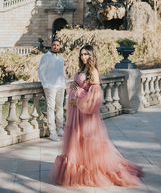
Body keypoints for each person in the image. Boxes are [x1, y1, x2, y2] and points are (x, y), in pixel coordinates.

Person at [53, 44, 142, 187]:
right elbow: (79, 85)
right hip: (76, 112)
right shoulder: (82, 69)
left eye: (86, 54)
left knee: (87, 140)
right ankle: (78, 166)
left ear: (92, 55)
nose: (83, 57)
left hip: (85, 113)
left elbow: (95, 96)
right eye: (82, 54)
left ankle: (90, 170)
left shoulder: (93, 71)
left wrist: (79, 101)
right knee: (76, 141)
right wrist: (74, 87)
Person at [38, 38, 66, 141]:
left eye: (58, 45)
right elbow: (41, 72)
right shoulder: (46, 57)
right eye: (54, 45)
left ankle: (59, 129)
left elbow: (62, 72)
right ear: (51, 45)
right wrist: (46, 85)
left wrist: (64, 83)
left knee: (60, 108)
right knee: (51, 109)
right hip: (50, 87)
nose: (56, 47)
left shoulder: (61, 58)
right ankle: (52, 133)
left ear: (60, 46)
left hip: (61, 86)